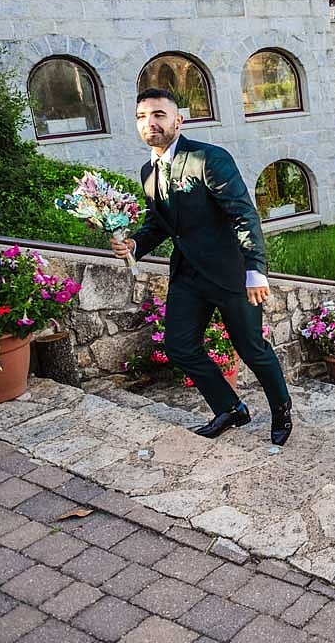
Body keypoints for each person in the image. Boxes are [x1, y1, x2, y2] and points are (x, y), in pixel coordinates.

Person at [112, 88, 293, 445]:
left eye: (159, 115)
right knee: (180, 346)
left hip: (231, 275)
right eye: (142, 117)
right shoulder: (148, 170)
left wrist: (255, 270)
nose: (150, 123)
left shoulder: (208, 158)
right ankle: (230, 409)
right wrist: (135, 243)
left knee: (252, 349)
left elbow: (244, 215)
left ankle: (281, 409)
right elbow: (159, 223)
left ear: (178, 120)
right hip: (188, 275)